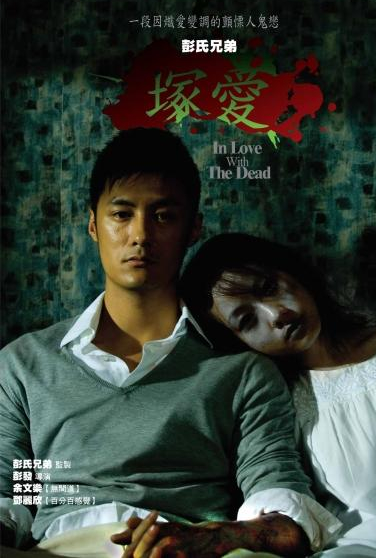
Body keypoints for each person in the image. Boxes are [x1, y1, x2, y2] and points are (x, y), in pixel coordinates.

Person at [0, 130, 340, 558]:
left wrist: (215, 538)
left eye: (163, 216)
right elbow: (11, 496)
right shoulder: (24, 364)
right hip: (60, 547)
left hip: (190, 546)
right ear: (93, 224)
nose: (140, 235)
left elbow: (284, 514)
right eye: (121, 214)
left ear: (193, 228)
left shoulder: (241, 371)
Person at [179, 233, 376, 558]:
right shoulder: (275, 411)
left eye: (268, 288)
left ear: (291, 272)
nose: (276, 315)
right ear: (239, 343)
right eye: (247, 321)